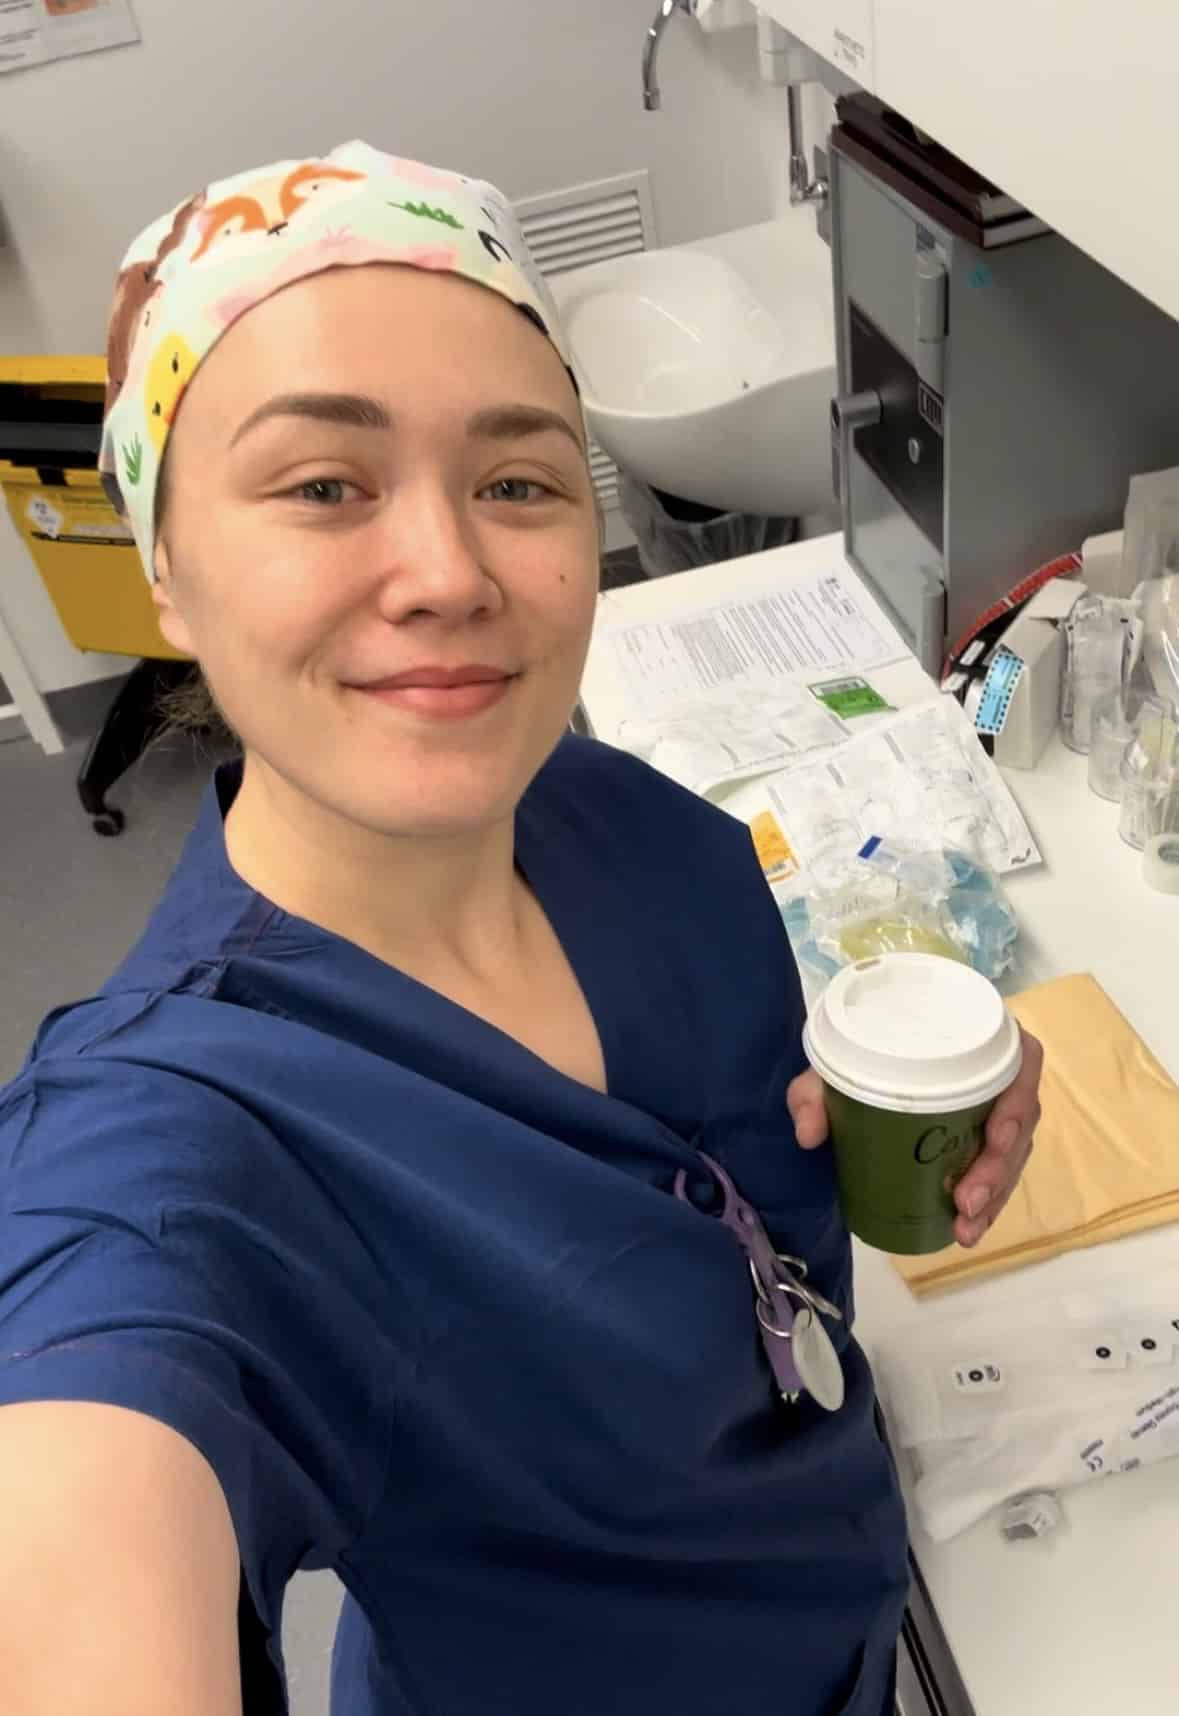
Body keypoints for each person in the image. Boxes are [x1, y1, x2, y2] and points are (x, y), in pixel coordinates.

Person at [0, 143, 1042, 1716]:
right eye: (323, 486)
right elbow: (95, 1471)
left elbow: (710, 1201)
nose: (450, 572)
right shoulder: (173, 1143)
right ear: (166, 570)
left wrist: (890, 1116)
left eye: (517, 481)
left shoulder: (641, 832)